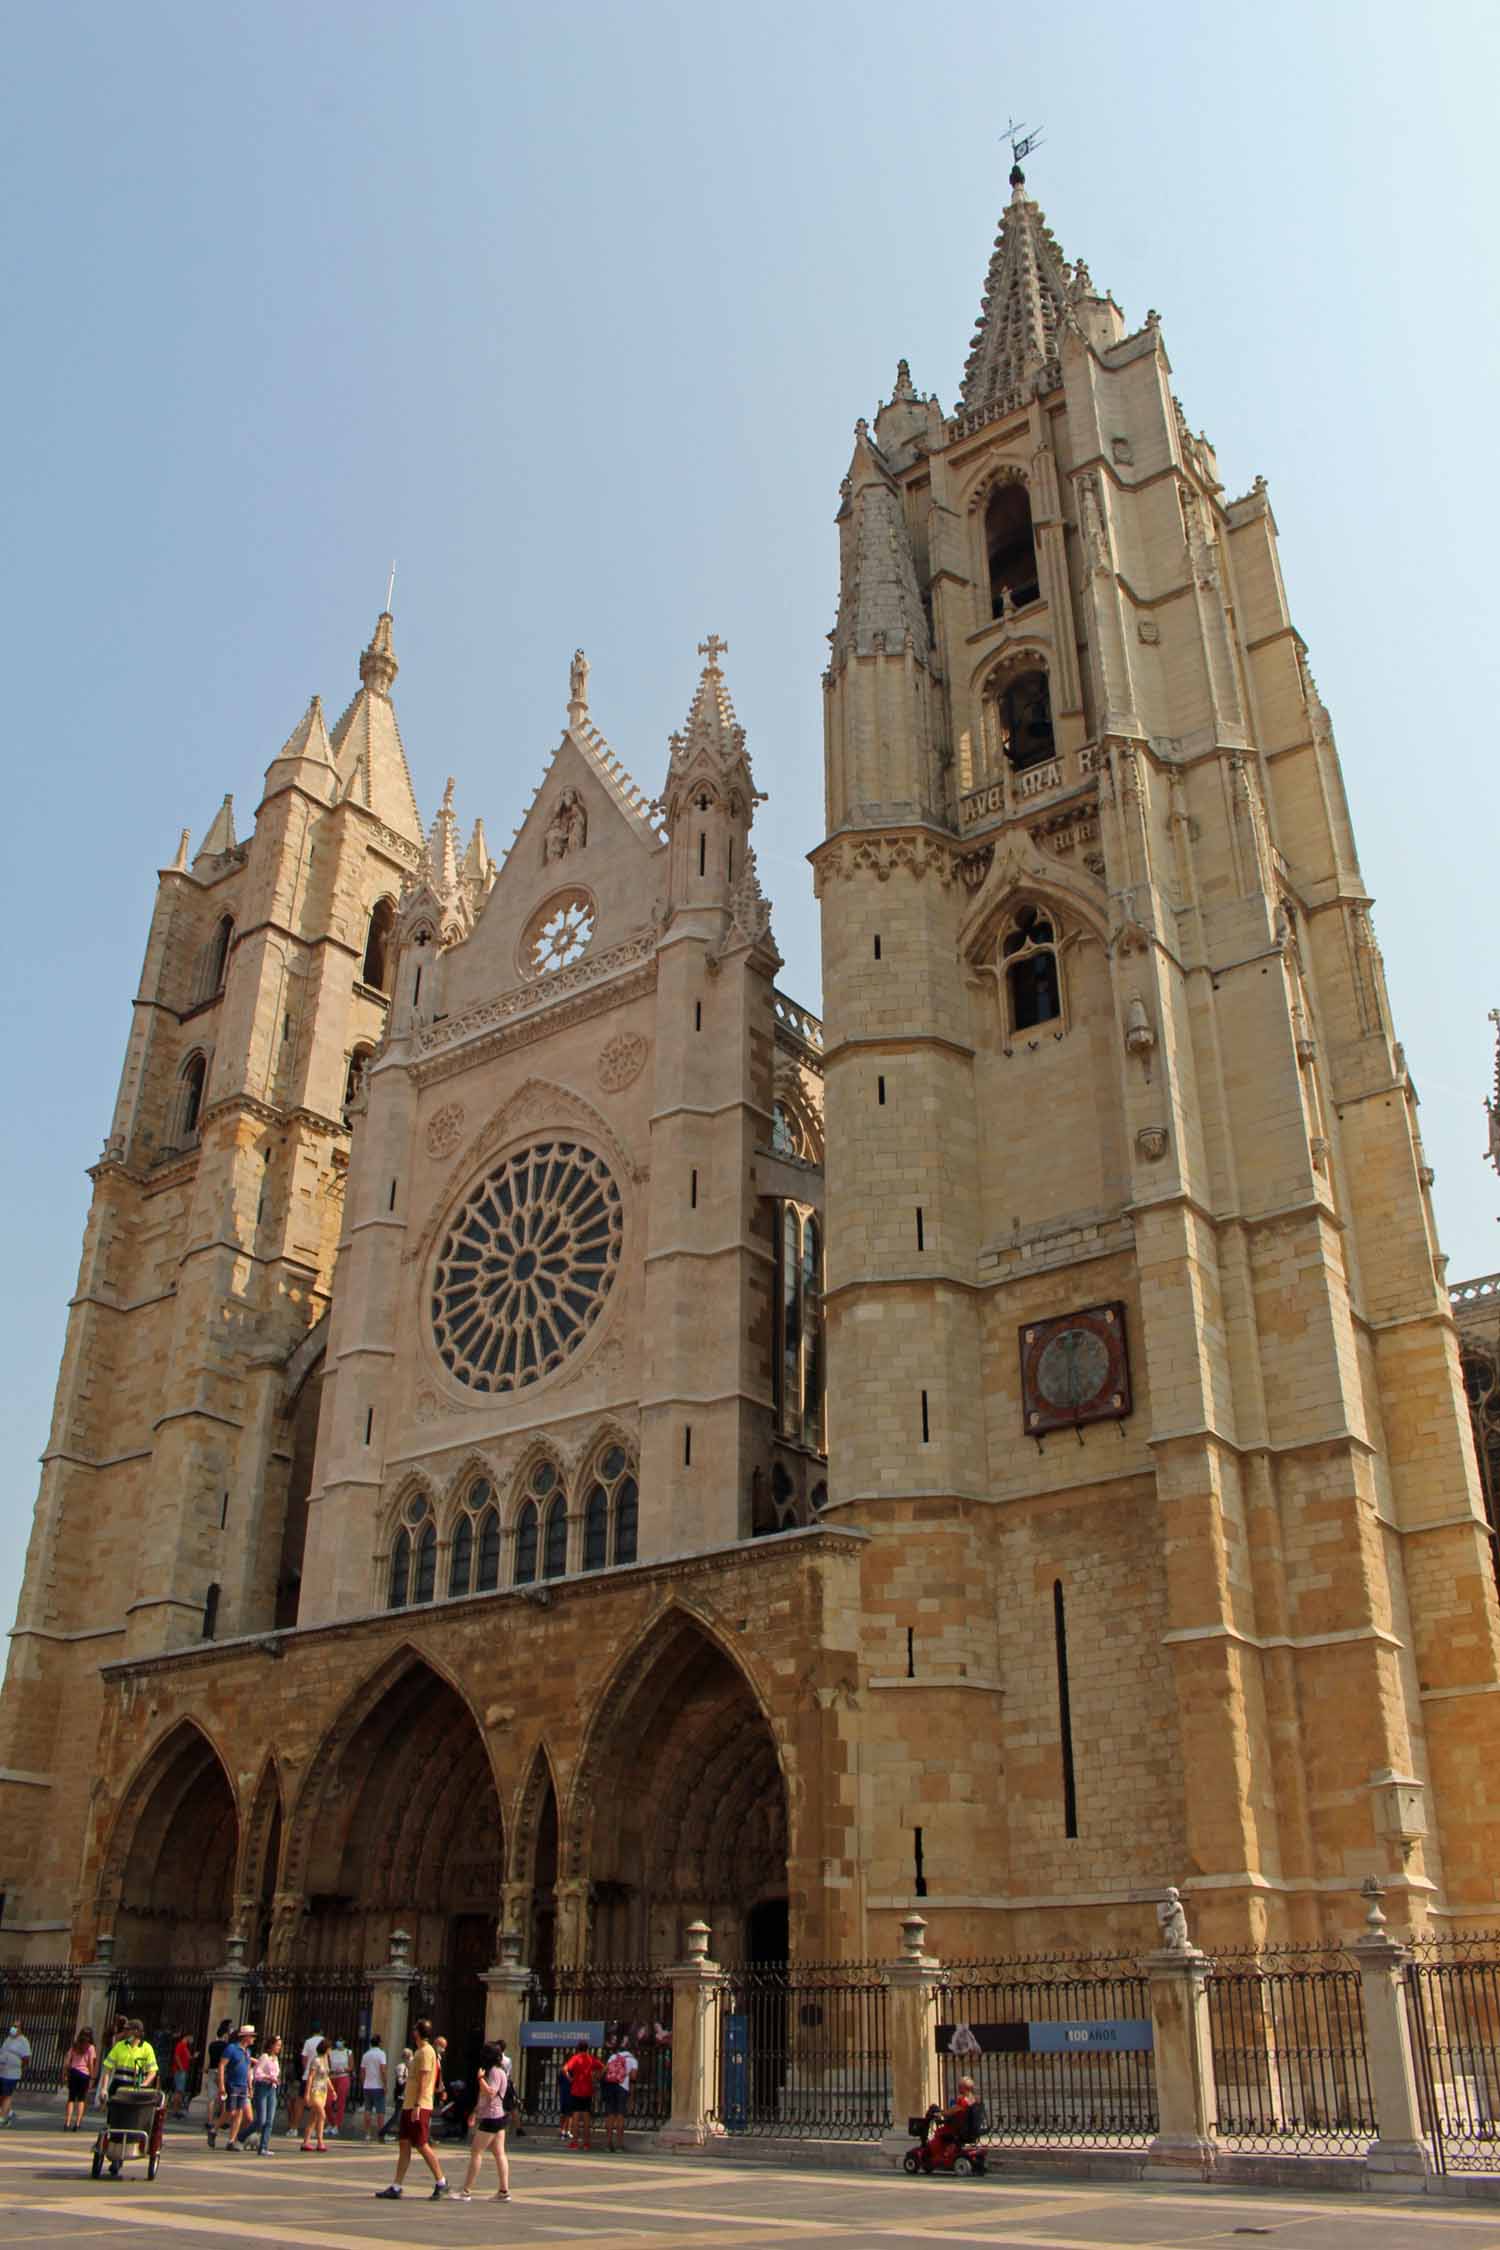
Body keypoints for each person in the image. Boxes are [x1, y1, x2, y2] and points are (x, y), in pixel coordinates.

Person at [375, 2017, 449, 2199]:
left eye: (415, 2029)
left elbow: (424, 2079)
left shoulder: (426, 2052)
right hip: (410, 2104)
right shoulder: (419, 2051)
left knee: (422, 2144)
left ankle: (441, 2181)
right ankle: (396, 2185)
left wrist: (417, 2104)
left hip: (420, 2104)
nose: (412, 2031)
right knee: (404, 2143)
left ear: (418, 2032)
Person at [455, 2041, 511, 2202]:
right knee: (499, 2153)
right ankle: (503, 2190)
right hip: (499, 2115)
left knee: (476, 2152)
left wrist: (480, 2078)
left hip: (491, 2117)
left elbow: (490, 2093)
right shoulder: (501, 2071)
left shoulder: (493, 2072)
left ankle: (466, 2190)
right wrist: (475, 2111)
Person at [924, 2075, 977, 2171]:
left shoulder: (963, 2100)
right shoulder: (972, 2099)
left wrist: (939, 2113)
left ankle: (937, 2156)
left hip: (957, 2128)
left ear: (964, 2088)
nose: (958, 2088)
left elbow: (951, 2112)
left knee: (939, 2132)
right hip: (964, 2126)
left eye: (960, 2086)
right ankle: (948, 2151)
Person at [560, 2038, 600, 2151]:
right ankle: (587, 2143)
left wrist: (570, 2078)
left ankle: (575, 2143)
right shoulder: (591, 2059)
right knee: (587, 2118)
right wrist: (597, 2077)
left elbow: (564, 2069)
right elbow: (604, 2067)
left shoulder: (575, 2058)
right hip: (588, 2090)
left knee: (576, 2117)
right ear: (587, 2049)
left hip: (576, 2090)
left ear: (578, 2048)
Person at [220, 2025, 254, 2150]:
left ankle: (231, 2141)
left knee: (239, 2113)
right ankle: (214, 2128)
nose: (253, 2039)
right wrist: (222, 2085)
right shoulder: (231, 2048)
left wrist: (250, 2086)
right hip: (232, 2084)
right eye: (252, 2036)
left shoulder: (247, 2052)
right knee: (231, 2112)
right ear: (245, 2037)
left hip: (243, 2085)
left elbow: (248, 2070)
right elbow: (222, 2065)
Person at [601, 2037, 638, 2151]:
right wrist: (631, 2098)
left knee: (610, 2116)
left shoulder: (613, 2057)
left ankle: (608, 2144)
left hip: (611, 2087)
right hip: (623, 2088)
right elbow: (633, 2077)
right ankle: (620, 2145)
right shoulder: (633, 2060)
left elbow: (604, 2071)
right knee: (620, 2116)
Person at [100, 2019, 158, 2091]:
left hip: (134, 2090)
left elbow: (152, 2071)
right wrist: (104, 2089)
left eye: (128, 2030)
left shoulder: (147, 2048)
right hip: (117, 2088)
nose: (125, 2032)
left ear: (136, 2032)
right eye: (124, 2029)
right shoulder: (119, 2045)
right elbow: (107, 2069)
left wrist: (144, 2084)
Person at [250, 2033, 282, 2156]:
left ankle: (263, 2147)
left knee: (270, 2120)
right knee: (261, 2120)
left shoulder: (276, 2059)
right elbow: (257, 2074)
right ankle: (242, 2136)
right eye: (277, 2045)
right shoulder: (264, 2057)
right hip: (262, 2087)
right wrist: (269, 2077)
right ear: (271, 2045)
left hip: (272, 2089)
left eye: (280, 2045)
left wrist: (274, 2079)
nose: (279, 2047)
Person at [63, 2026, 97, 2131]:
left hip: (73, 2073)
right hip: (84, 2074)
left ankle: (67, 2122)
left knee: (71, 2099)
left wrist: (65, 2073)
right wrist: (92, 2076)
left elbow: (67, 2060)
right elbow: (91, 2063)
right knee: (82, 2099)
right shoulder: (90, 2047)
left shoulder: (75, 2045)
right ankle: (77, 2123)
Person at [301, 2038, 333, 2151]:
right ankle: (320, 2141)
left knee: (313, 2118)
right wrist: (307, 2093)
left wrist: (332, 2090)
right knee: (322, 2115)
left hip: (323, 2091)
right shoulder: (316, 2060)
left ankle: (307, 2142)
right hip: (315, 2090)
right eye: (330, 2048)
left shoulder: (325, 2060)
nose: (331, 2051)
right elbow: (310, 2077)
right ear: (326, 2049)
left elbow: (326, 2077)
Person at [204, 2018, 232, 2145]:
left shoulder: (211, 2045)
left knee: (211, 2097)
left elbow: (210, 2058)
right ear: (225, 2035)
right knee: (223, 2096)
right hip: (222, 2071)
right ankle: (223, 2120)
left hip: (211, 2070)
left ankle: (209, 2121)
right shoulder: (226, 2046)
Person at [0, 2024, 31, 2127]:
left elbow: (26, 2057)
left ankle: (2, 2118)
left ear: (21, 2029)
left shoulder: (23, 2041)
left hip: (12, 2073)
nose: (13, 2028)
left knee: (6, 2095)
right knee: (2, 2095)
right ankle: (8, 2113)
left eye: (16, 2026)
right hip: (2, 2070)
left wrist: (22, 2067)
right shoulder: (8, 2039)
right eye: (13, 2026)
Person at [377, 2048, 410, 2141]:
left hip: (406, 2095)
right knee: (397, 2116)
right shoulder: (402, 2067)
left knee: (403, 2116)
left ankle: (405, 2135)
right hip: (401, 2095)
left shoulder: (407, 2067)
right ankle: (382, 2132)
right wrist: (409, 2079)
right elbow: (400, 2082)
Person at [359, 2035, 388, 2140]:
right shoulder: (381, 2054)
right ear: (379, 2043)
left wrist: (364, 2083)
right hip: (378, 2086)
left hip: (367, 2086)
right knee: (380, 2111)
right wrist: (385, 2084)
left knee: (367, 2110)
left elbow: (362, 2071)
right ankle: (381, 2134)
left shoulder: (366, 2055)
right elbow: (383, 2070)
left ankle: (367, 2133)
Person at [326, 2034, 352, 2136]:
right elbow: (328, 2065)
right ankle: (331, 2123)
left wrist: (343, 2069)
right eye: (338, 2040)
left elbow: (351, 2067)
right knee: (327, 2102)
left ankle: (336, 2125)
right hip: (332, 2078)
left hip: (343, 2077)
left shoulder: (348, 2052)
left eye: (341, 2040)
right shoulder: (331, 2053)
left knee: (340, 2102)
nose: (339, 2042)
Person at [169, 2029, 193, 2118]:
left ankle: (177, 2110)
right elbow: (177, 2056)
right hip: (180, 2071)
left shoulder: (185, 2046)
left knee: (180, 2091)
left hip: (183, 2070)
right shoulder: (181, 2045)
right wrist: (181, 2068)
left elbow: (187, 2057)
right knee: (179, 2091)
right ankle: (175, 2111)